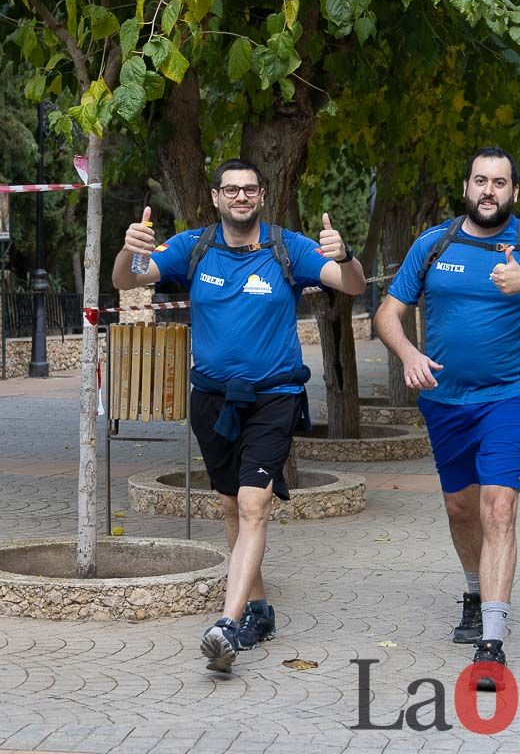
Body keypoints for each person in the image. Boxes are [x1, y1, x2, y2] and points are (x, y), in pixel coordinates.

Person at [113, 158, 367, 673]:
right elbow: (126, 280)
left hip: (273, 396)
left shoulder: (286, 246)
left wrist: (349, 256)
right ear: (215, 197)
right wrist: (129, 250)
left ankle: (226, 627)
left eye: (249, 189)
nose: (241, 197)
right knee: (231, 506)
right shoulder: (193, 246)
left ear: (263, 196)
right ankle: (257, 608)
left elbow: (353, 285)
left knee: (255, 503)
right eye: (231, 189)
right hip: (210, 399)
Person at [373, 147, 520, 692]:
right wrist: (409, 355)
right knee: (460, 507)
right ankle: (473, 590)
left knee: (498, 507)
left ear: (514, 192)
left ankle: (491, 644)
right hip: (447, 404)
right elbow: (387, 314)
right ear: (466, 187)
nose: (489, 191)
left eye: (500, 183)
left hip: (511, 398)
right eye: (480, 181)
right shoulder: (434, 243)